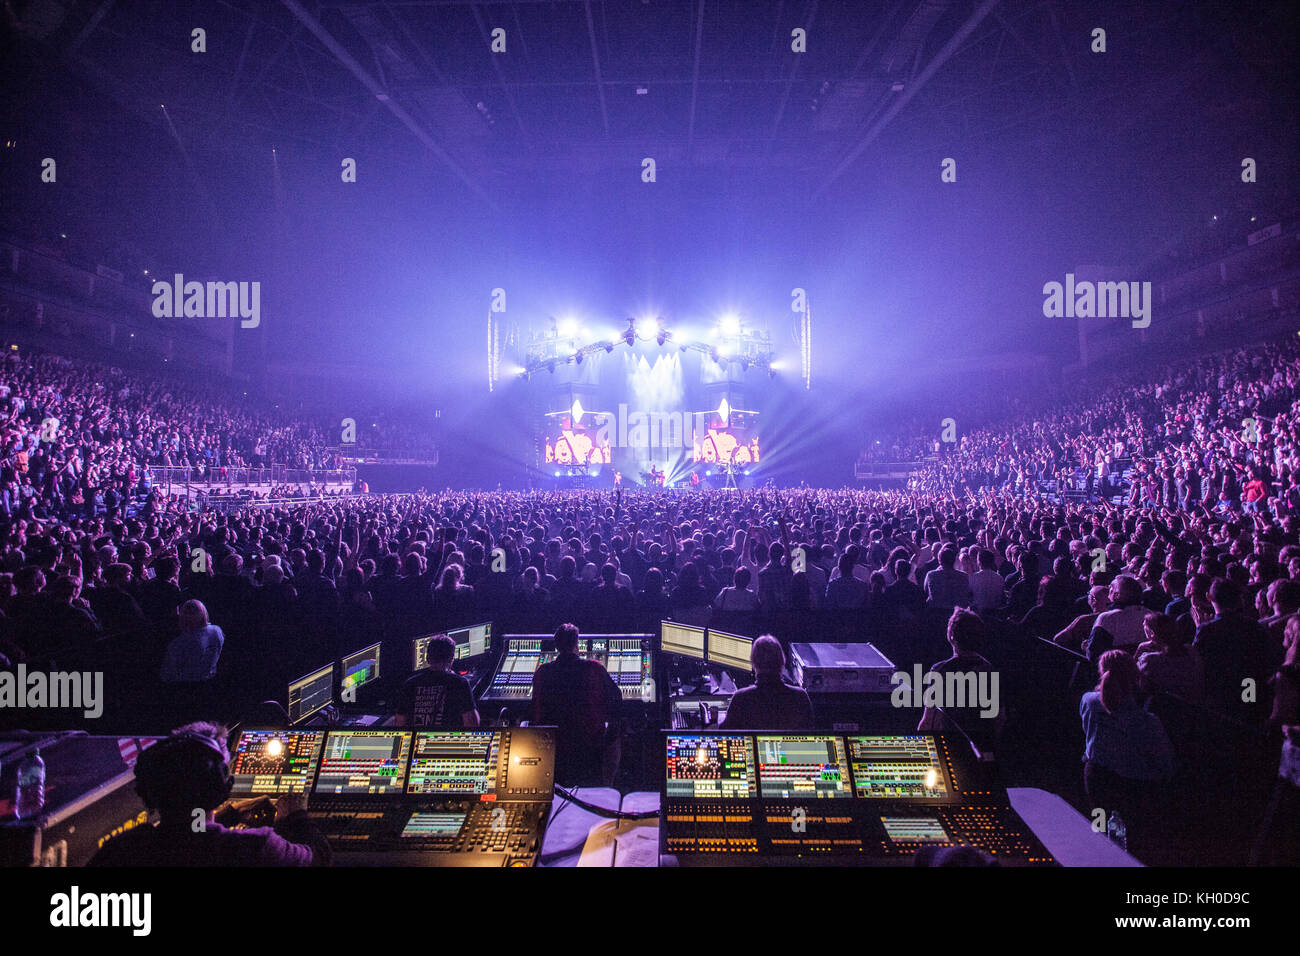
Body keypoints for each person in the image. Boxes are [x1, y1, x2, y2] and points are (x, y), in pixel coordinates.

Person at [89, 722, 329, 866]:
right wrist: (297, 815)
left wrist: (228, 815)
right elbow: (318, 857)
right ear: (222, 788)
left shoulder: (121, 851)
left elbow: (189, 835)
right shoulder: (254, 848)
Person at [1079, 650, 1176, 856]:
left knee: (1101, 832)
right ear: (1134, 677)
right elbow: (1165, 764)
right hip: (1134, 789)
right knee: (1131, 845)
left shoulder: (1088, 701)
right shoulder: (1148, 722)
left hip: (1096, 777)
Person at [530, 623, 623, 786]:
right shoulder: (594, 668)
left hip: (551, 744)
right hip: (589, 743)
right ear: (577, 644)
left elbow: (534, 708)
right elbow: (616, 698)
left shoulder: (542, 672)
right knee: (615, 733)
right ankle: (607, 785)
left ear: (556, 645)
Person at [720, 636, 814, 730]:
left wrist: (717, 720)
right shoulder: (800, 697)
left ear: (753, 663)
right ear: (782, 662)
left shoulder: (741, 698)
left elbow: (724, 731)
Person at [394, 633, 479, 728]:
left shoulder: (409, 684)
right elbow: (472, 723)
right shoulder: (459, 683)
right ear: (451, 658)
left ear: (427, 659)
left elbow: (399, 722)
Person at [159, 600, 224, 683]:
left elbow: (166, 675)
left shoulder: (179, 643)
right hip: (211, 681)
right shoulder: (217, 631)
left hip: (185, 686)